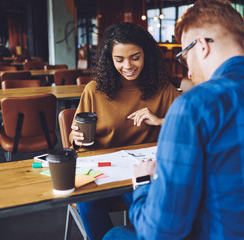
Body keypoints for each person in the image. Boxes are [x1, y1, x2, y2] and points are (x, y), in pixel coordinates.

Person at [103, 0, 244, 239]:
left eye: (184, 57)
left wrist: (143, 182)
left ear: (202, 46)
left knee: (114, 235)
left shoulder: (194, 106)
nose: (188, 72)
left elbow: (160, 232)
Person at [70, 22, 181, 240]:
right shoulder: (94, 90)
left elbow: (188, 131)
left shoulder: (165, 89)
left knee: (149, 210)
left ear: (146, 55)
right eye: (119, 60)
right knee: (88, 201)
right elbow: (77, 141)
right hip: (102, 170)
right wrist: (76, 138)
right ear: (110, 60)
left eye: (135, 57)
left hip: (143, 170)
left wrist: (160, 121)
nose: (128, 65)